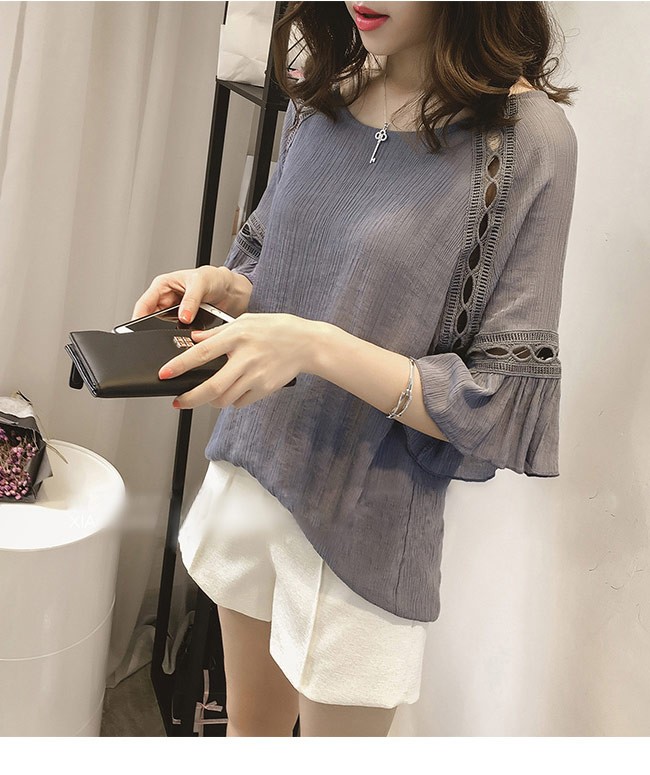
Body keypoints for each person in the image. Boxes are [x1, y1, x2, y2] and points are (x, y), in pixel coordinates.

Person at [132, 2, 578, 737]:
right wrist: (224, 287)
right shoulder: (326, 89)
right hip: (255, 469)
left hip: (363, 523)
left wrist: (315, 347)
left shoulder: (524, 141)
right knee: (248, 737)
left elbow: (494, 397)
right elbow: (277, 268)